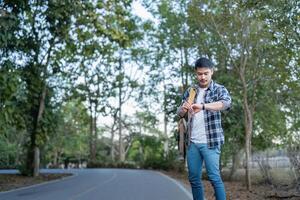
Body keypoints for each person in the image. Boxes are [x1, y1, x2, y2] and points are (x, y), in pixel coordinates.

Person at [177, 57, 231, 200]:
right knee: (194, 179)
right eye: (199, 74)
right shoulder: (191, 91)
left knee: (214, 177)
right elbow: (180, 113)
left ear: (211, 72)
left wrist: (203, 106)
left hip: (211, 142)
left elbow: (225, 104)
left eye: (206, 73)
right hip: (192, 143)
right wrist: (183, 109)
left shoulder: (219, 89)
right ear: (196, 73)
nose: (202, 77)